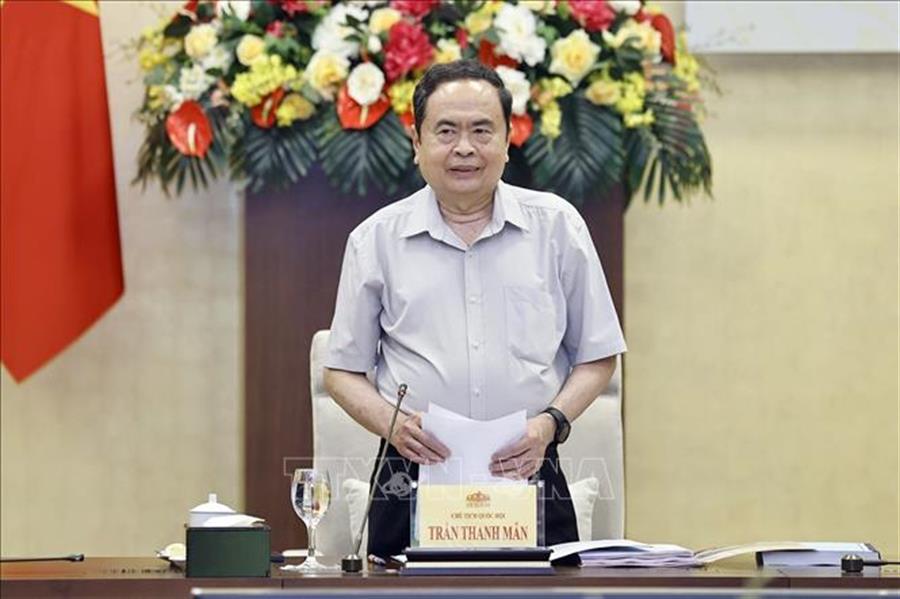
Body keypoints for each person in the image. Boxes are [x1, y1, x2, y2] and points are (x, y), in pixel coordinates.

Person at [323, 59, 626, 558]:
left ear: (508, 141)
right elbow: (341, 372)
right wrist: (391, 424)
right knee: (401, 595)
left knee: (542, 594)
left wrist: (549, 424)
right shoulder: (375, 239)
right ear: (417, 143)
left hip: (528, 462)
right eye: (446, 131)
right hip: (412, 468)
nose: (464, 147)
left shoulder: (558, 228)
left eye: (482, 131)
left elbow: (598, 355)